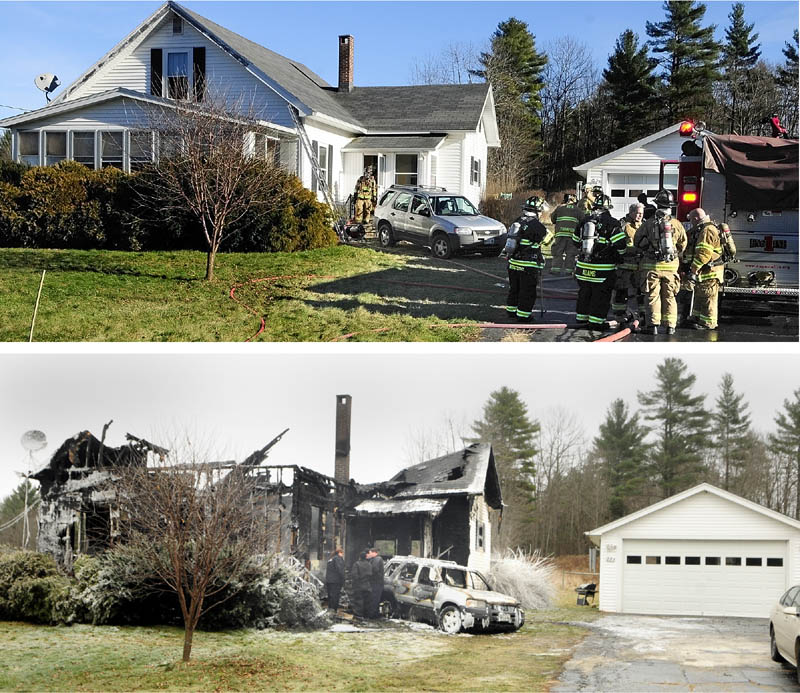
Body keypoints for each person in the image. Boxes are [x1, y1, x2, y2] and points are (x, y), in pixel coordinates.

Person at [633, 190, 687, 335]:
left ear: (657, 205)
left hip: (651, 267)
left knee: (652, 296)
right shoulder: (676, 224)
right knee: (670, 296)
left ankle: (653, 326)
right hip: (671, 267)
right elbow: (683, 244)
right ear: (671, 207)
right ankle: (670, 326)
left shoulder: (648, 223)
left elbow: (637, 241)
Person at [571, 193, 627, 328]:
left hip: (583, 267)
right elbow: (621, 245)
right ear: (608, 208)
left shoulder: (585, 220)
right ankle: (596, 323)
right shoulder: (612, 223)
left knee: (584, 293)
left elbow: (575, 241)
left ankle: (581, 319)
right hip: (603, 270)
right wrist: (619, 257)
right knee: (600, 296)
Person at [501, 196, 552, 323]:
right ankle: (524, 316)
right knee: (527, 291)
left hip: (513, 263)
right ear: (538, 211)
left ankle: (511, 311)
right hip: (528, 265)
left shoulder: (517, 221)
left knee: (514, 289)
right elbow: (549, 240)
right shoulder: (537, 226)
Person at [683, 207, 734, 330]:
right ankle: (697, 318)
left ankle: (708, 323)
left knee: (708, 298)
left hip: (710, 272)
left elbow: (703, 253)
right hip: (705, 271)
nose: (691, 223)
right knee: (700, 295)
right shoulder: (703, 228)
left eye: (691, 220)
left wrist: (694, 269)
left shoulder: (707, 230)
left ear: (696, 218)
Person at [611, 203, 645, 319]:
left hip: (640, 266)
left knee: (642, 291)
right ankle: (619, 314)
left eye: (641, 213)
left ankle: (643, 314)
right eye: (638, 213)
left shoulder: (644, 225)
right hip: (624, 265)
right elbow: (617, 244)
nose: (640, 216)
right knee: (621, 290)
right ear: (631, 212)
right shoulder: (623, 225)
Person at [549, 193, 580, 276]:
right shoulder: (578, 210)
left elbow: (552, 219)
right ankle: (569, 271)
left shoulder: (559, 208)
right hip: (572, 235)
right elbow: (583, 222)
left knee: (557, 252)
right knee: (570, 253)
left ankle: (555, 270)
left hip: (560, 234)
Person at [351, 550, 373, 620]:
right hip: (367, 586)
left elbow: (354, 576)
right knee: (367, 601)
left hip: (359, 586)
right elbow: (371, 575)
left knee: (358, 601)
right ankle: (366, 616)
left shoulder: (356, 564)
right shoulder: (369, 564)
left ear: (360, 557)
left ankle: (359, 615)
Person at [325, 548, 345, 612]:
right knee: (335, 596)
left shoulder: (331, 559)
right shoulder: (338, 558)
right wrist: (343, 578)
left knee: (330, 595)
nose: (343, 555)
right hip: (336, 581)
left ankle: (330, 609)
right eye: (342, 553)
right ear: (340, 552)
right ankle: (334, 610)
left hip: (329, 580)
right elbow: (340, 569)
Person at [367, 547, 385, 619]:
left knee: (374, 598)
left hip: (376, 583)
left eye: (370, 552)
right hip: (376, 582)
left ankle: (373, 615)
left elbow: (375, 570)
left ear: (374, 552)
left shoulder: (377, 559)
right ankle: (374, 614)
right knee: (375, 598)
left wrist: (369, 575)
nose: (369, 554)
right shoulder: (374, 559)